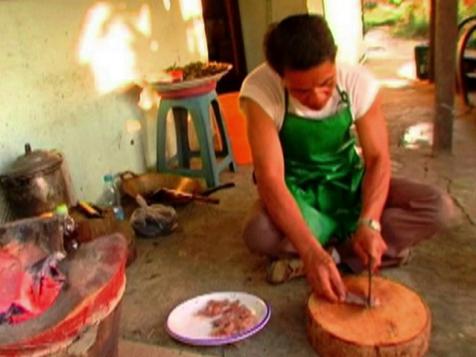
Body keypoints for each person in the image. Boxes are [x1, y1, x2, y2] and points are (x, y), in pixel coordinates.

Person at [239, 14, 454, 303]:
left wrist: (370, 223)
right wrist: (310, 249)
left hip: (349, 182)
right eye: (302, 90)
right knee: (257, 233)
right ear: (279, 75)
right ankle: (343, 255)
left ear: (334, 60)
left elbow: (378, 159)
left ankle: (330, 255)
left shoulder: (357, 82)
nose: (317, 96)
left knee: (437, 207)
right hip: (298, 190)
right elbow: (270, 179)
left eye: (326, 83)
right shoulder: (259, 90)